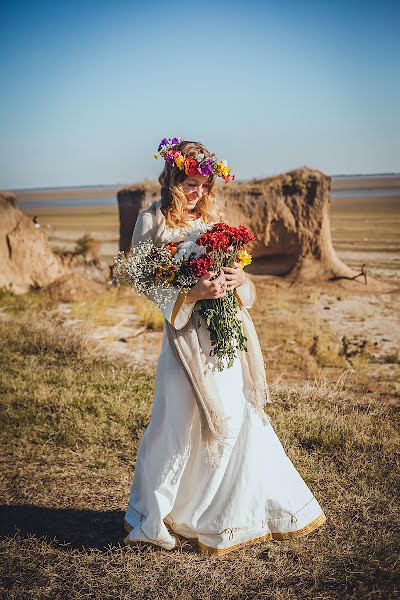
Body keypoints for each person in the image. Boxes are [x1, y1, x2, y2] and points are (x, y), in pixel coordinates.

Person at [123, 138, 326, 555]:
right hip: (184, 338)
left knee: (234, 418)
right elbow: (145, 283)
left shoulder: (215, 219)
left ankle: (225, 512)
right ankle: (159, 516)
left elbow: (242, 278)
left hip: (227, 335)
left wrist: (239, 282)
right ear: (172, 179)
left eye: (203, 184)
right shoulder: (152, 222)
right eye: (189, 183)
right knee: (176, 422)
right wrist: (194, 292)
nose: (196, 192)